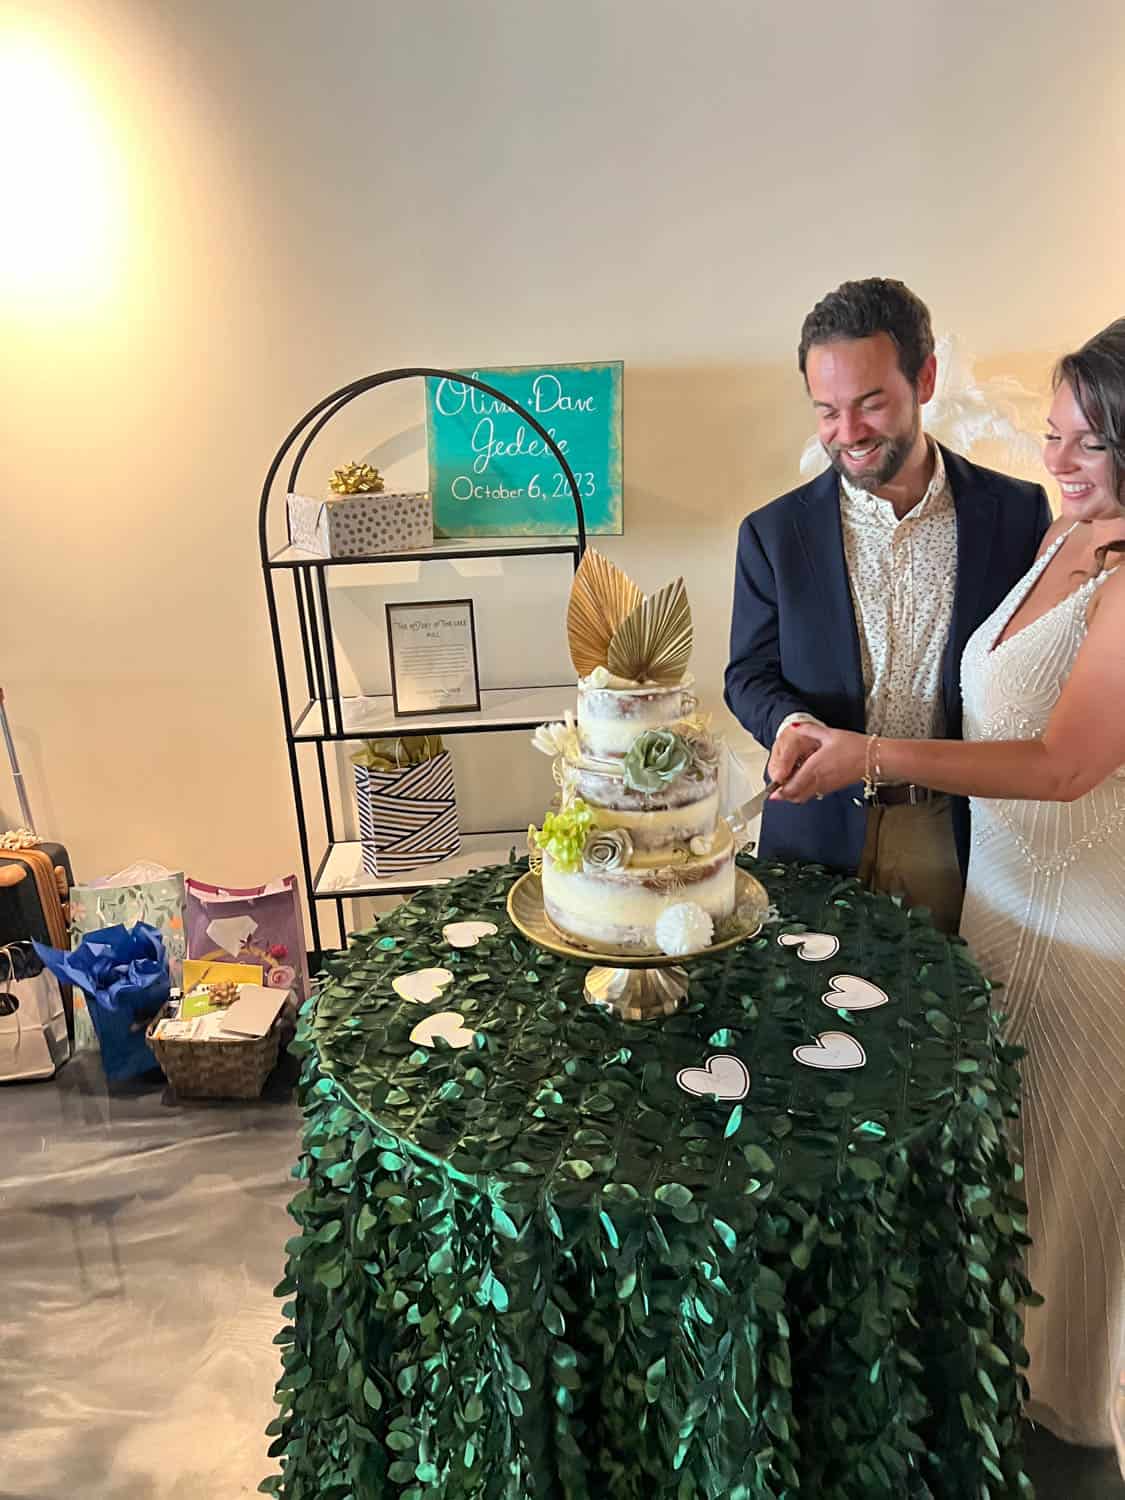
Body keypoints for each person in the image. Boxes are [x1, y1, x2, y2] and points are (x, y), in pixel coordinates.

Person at [770, 319, 1125, 1475]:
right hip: (995, 914)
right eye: (1052, 432)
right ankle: (974, 1404)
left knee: (1062, 1231)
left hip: (1079, 944)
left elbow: (1064, 765)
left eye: (1086, 443)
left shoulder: (1070, 544)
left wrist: (874, 755)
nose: (1055, 459)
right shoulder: (1061, 529)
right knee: (994, 1197)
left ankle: (1057, 1443)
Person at [724, 278, 1051, 932]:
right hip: (812, 836)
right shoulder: (770, 533)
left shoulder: (1017, 515)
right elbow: (747, 675)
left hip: (956, 834)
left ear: (923, 380)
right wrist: (790, 725)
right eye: (826, 411)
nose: (846, 433)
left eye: (870, 404)